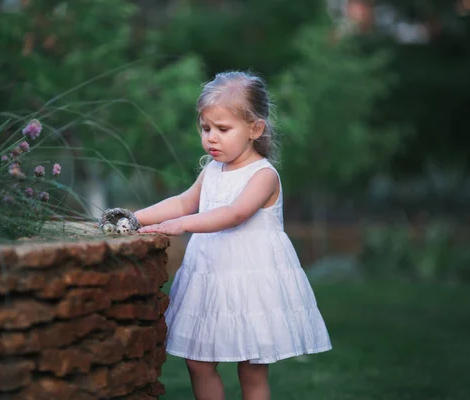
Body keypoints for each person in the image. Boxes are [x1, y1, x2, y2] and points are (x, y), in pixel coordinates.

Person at [135, 71, 332, 400]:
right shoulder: (212, 170)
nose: (211, 138)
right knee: (198, 362)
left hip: (251, 282)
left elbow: (235, 214)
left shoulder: (263, 175)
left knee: (251, 368)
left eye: (223, 129)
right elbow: (184, 201)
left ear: (255, 129)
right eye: (206, 128)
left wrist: (184, 224)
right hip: (211, 277)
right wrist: (133, 217)